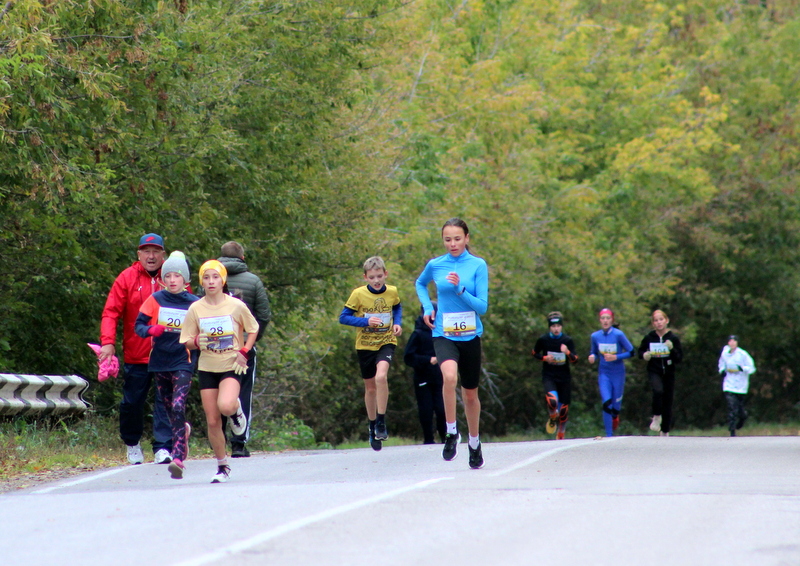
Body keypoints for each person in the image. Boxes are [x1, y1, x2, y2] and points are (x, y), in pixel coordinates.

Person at [415, 218, 489, 469]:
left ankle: (474, 442)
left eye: (457, 238)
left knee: (470, 395)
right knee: (448, 378)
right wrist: (427, 307)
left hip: (470, 336)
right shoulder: (436, 264)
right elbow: (420, 283)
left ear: (467, 238)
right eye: (448, 239)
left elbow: (483, 306)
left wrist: (460, 290)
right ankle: (450, 432)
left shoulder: (478, 265)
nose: (453, 244)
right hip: (444, 333)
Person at [180, 260, 258, 483]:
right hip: (207, 367)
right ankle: (222, 466)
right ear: (201, 282)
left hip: (232, 364)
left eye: (215, 277)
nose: (211, 282)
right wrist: (196, 340)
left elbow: (253, 329)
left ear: (223, 280)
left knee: (225, 405)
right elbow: (185, 340)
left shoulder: (235, 305)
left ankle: (236, 411)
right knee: (212, 420)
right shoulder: (196, 308)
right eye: (206, 277)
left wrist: (244, 350)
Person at [99, 233, 173, 465]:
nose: (151, 256)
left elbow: (189, 307)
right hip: (136, 353)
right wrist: (107, 342)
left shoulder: (172, 277)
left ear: (163, 254)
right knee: (131, 402)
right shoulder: (127, 277)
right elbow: (111, 311)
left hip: (167, 353)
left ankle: (163, 446)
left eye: (156, 251)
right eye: (146, 251)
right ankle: (132, 443)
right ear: (139, 254)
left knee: (165, 401)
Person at [134, 251, 199, 479]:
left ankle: (178, 457)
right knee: (170, 408)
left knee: (178, 406)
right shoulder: (155, 300)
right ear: (162, 278)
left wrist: (198, 341)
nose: (172, 280)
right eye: (168, 275)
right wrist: (151, 329)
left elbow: (206, 330)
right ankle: (184, 431)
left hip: (183, 360)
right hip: (160, 361)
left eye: (177, 276)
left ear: (185, 280)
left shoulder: (195, 304)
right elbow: (138, 326)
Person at [339, 256, 402, 452]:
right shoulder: (358, 294)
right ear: (365, 277)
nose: (376, 281)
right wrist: (365, 322)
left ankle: (381, 422)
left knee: (381, 377)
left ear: (386, 274)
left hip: (386, 342)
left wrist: (397, 323)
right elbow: (344, 318)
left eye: (379, 276)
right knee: (371, 388)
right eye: (372, 277)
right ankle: (372, 424)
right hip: (365, 345)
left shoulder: (392, 291)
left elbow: (397, 307)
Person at [216, 241, 272, 458]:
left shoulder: (211, 278)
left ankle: (217, 439)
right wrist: (253, 338)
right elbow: (264, 315)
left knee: (216, 391)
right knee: (243, 393)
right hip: (243, 347)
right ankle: (238, 444)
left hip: (215, 346)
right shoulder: (253, 281)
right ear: (242, 258)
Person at [403, 303, 446, 445]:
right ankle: (428, 439)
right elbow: (408, 357)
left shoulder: (443, 331)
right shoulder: (418, 334)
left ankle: (445, 439)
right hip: (423, 377)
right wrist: (428, 360)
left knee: (442, 409)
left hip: (441, 377)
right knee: (426, 409)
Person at [531, 311, 578, 440]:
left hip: (564, 377)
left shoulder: (567, 340)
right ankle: (552, 416)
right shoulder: (543, 339)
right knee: (552, 401)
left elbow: (575, 359)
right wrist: (545, 358)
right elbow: (534, 353)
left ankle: (561, 432)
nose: (556, 329)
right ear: (549, 327)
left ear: (561, 326)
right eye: (553, 326)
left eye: (558, 326)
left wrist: (567, 352)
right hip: (549, 375)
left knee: (563, 410)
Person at [588, 308, 634, 437]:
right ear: (600, 320)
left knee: (615, 406)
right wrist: (592, 357)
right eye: (603, 318)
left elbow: (631, 352)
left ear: (612, 320)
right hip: (604, 374)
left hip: (618, 374)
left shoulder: (618, 335)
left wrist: (616, 357)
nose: (605, 321)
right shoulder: (595, 336)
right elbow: (594, 352)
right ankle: (609, 435)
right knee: (606, 401)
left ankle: (615, 416)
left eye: (608, 318)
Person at [637, 309, 683, 436]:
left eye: (661, 319)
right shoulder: (649, 338)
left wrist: (672, 349)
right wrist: (645, 355)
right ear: (653, 323)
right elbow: (640, 352)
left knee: (668, 400)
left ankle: (665, 431)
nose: (659, 323)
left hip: (669, 372)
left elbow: (679, 358)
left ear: (666, 321)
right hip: (654, 370)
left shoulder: (672, 338)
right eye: (656, 320)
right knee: (658, 391)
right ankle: (656, 416)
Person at [717, 335, 756, 437]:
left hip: (741, 386)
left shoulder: (742, 354)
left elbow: (752, 368)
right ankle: (732, 429)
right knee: (731, 407)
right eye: (730, 341)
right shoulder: (725, 353)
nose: (732, 343)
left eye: (734, 341)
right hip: (729, 385)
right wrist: (722, 371)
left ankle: (743, 417)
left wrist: (742, 368)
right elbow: (721, 364)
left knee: (739, 409)